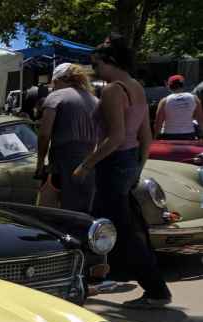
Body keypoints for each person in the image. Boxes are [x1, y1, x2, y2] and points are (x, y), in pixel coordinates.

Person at [73, 34, 171, 308]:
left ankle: (155, 291)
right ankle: (93, 279)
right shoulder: (135, 86)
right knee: (117, 225)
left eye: (97, 65)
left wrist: (85, 164)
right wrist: (137, 167)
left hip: (113, 163)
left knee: (114, 229)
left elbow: (114, 137)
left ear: (110, 61)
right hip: (127, 163)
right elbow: (146, 135)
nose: (95, 70)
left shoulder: (114, 90)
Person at [35, 63, 99, 213]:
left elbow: (44, 134)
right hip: (89, 162)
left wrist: (39, 164)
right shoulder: (94, 100)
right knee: (83, 211)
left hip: (63, 162)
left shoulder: (56, 96)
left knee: (57, 213)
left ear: (58, 80)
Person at [153, 74, 203, 140]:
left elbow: (158, 122)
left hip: (169, 135)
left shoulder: (164, 101)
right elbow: (200, 119)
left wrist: (155, 137)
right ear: (183, 85)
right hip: (189, 135)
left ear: (169, 87)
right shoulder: (194, 98)